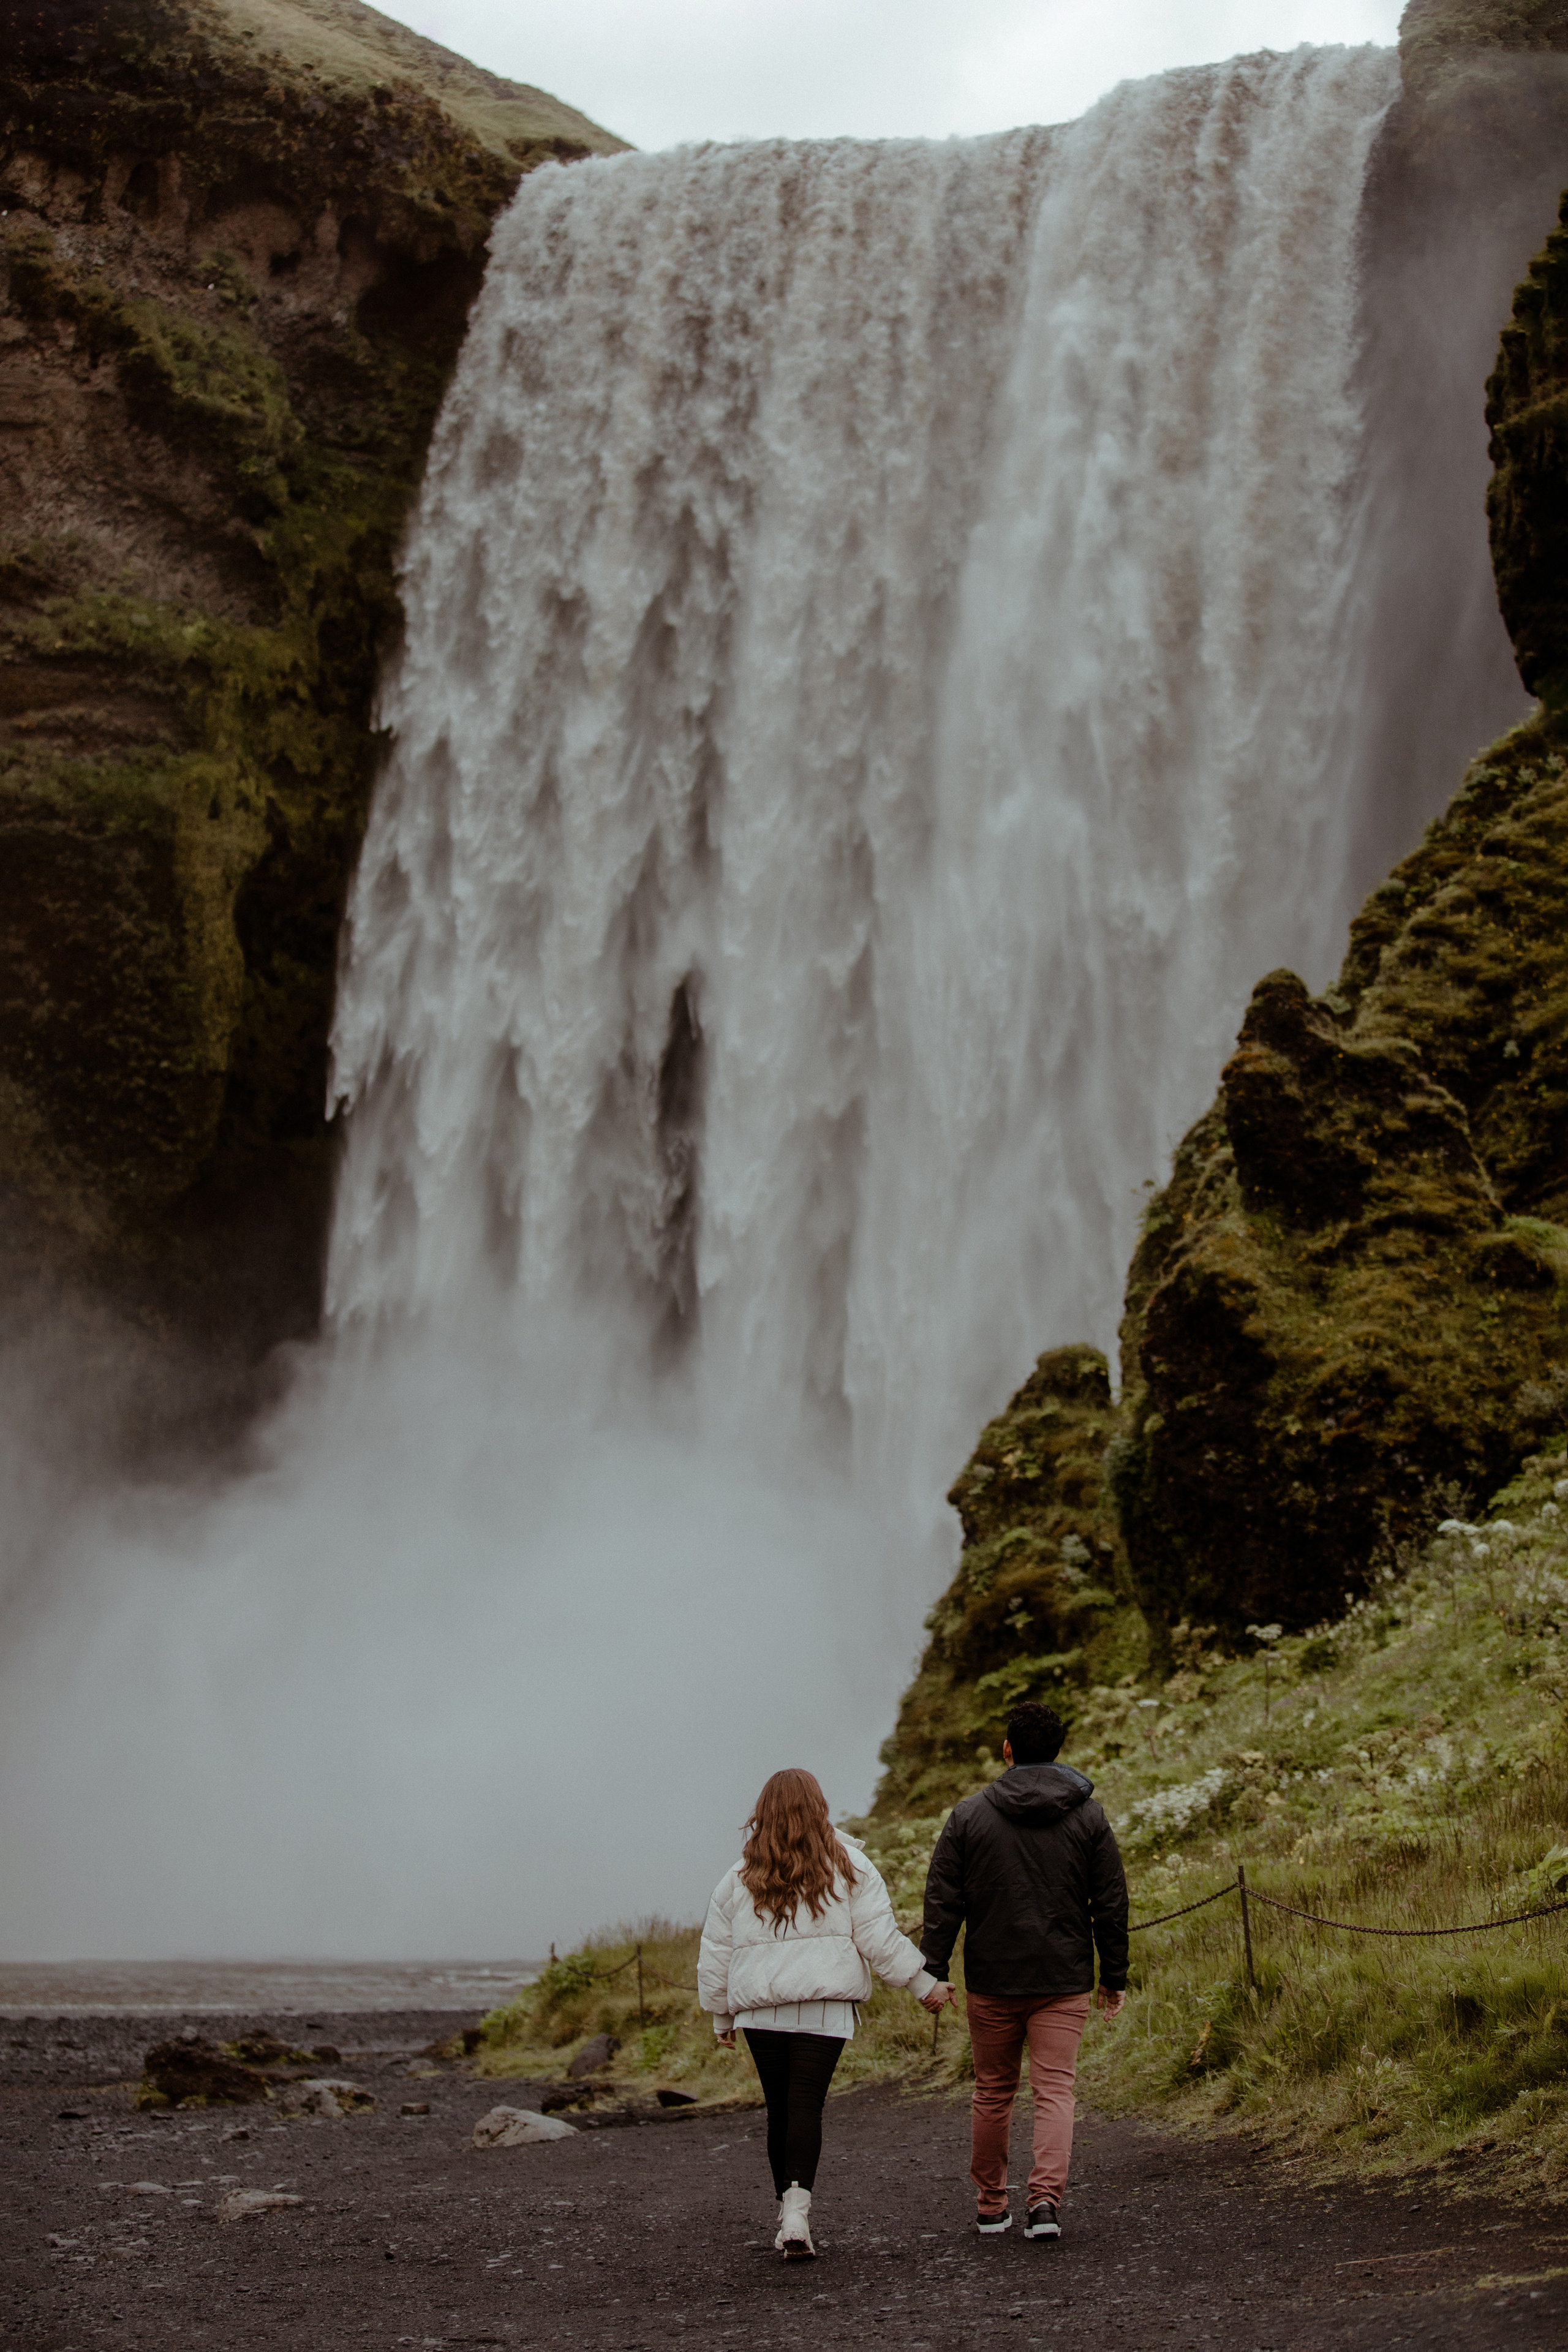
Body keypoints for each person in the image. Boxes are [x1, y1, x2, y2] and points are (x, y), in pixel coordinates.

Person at [699, 1766, 951, 2260]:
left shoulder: (737, 1877)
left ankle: (788, 2215)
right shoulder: (852, 1865)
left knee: (780, 2110)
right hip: (825, 2008)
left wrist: (721, 2016)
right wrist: (924, 1984)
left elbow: (717, 1951)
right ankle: (799, 2211)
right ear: (819, 1808)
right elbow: (877, 1937)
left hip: (761, 2011)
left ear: (763, 1813)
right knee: (806, 2105)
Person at [920, 1699, 1128, 2242]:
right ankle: (1044, 2205)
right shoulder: (1089, 1815)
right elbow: (1110, 1902)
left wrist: (933, 1971)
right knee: (1056, 2091)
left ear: (1007, 1749)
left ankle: (992, 2206)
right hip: (1063, 1978)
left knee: (992, 2090)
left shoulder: (969, 1815)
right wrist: (1115, 1976)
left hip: (992, 1980)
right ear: (1058, 1752)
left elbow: (943, 1900)